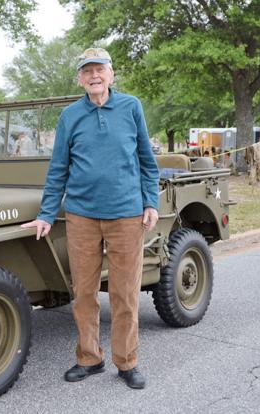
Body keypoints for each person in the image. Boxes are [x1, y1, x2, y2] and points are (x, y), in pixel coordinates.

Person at [21, 47, 159, 389]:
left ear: (111, 74)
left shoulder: (131, 107)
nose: (94, 76)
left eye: (100, 69)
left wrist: (151, 202)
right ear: (80, 78)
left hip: (127, 215)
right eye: (87, 71)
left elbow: (146, 159)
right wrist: (46, 214)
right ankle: (89, 358)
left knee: (124, 294)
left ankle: (127, 362)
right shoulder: (70, 116)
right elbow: (58, 170)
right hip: (81, 216)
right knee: (83, 292)